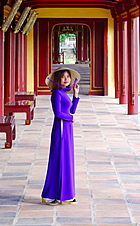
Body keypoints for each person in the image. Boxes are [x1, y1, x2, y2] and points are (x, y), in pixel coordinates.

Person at [41, 66, 80, 205]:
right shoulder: (56, 94)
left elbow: (72, 110)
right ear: (58, 79)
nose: (66, 79)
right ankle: (49, 194)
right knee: (59, 160)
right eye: (63, 77)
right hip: (61, 129)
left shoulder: (64, 93)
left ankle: (66, 195)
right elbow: (58, 114)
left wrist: (75, 96)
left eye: (68, 77)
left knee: (67, 160)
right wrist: (71, 118)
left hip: (67, 129)